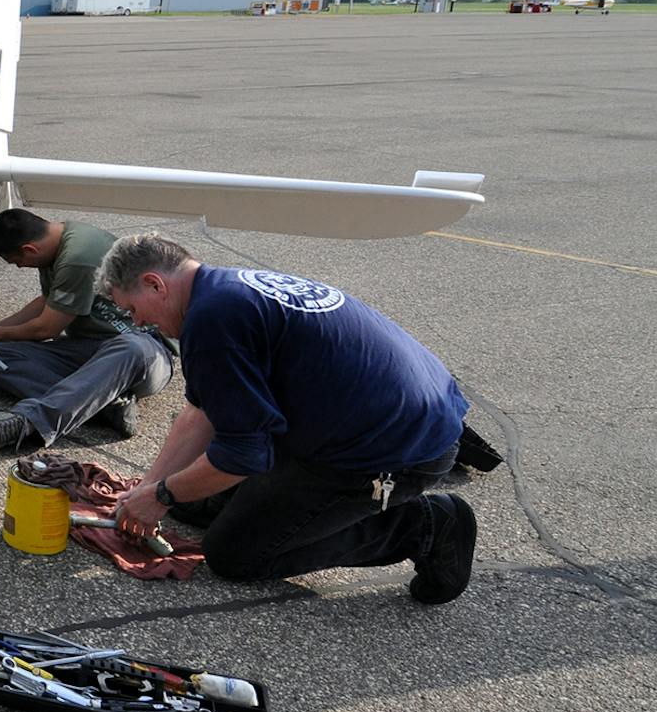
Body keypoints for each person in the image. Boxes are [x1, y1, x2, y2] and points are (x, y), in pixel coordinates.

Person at [96, 233, 478, 604]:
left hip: (396, 450)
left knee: (235, 553)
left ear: (155, 284)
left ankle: (426, 525)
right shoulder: (221, 291)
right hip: (375, 420)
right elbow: (200, 412)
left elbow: (243, 456)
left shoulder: (212, 320)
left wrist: (160, 495)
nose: (137, 324)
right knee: (193, 500)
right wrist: (150, 489)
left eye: (132, 310)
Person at [0, 209, 176, 457]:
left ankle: (28, 423)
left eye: (17, 262)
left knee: (130, 347)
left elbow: (47, 328)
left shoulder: (77, 257)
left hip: (146, 352)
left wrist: (2, 333)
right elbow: (47, 301)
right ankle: (106, 406)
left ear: (29, 249)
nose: (21, 267)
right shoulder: (55, 244)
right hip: (92, 346)